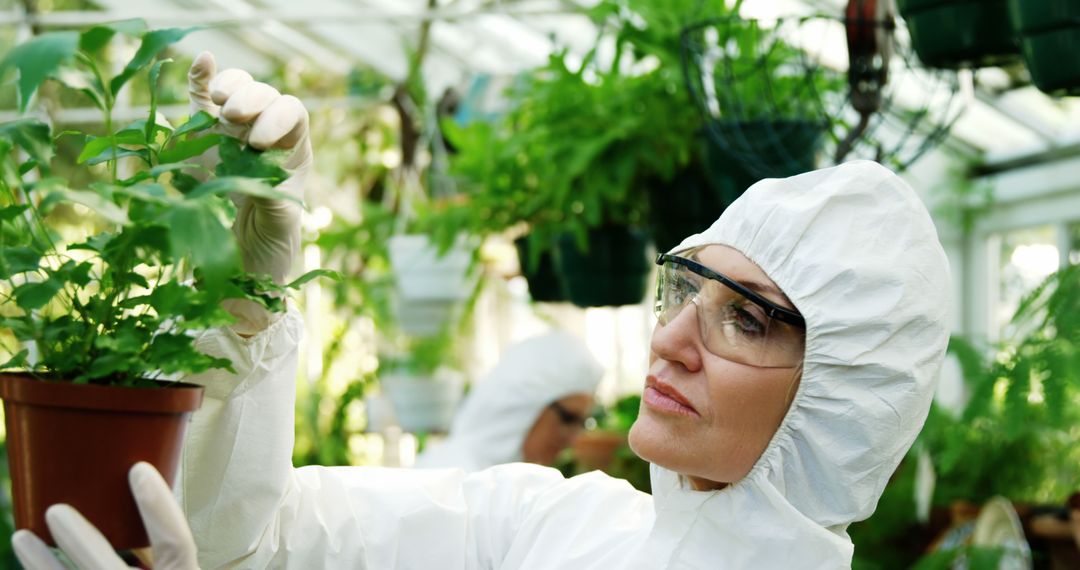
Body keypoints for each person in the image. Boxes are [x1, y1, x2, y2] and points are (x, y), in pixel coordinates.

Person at [12, 53, 952, 569]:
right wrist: (247, 307)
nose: (669, 339)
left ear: (842, 398)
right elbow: (258, 538)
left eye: (743, 318)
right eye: (683, 288)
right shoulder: (553, 531)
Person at [414, 331, 603, 470]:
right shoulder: (452, 475)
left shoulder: (507, 483)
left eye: (581, 423)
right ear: (525, 404)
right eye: (568, 418)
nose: (574, 438)